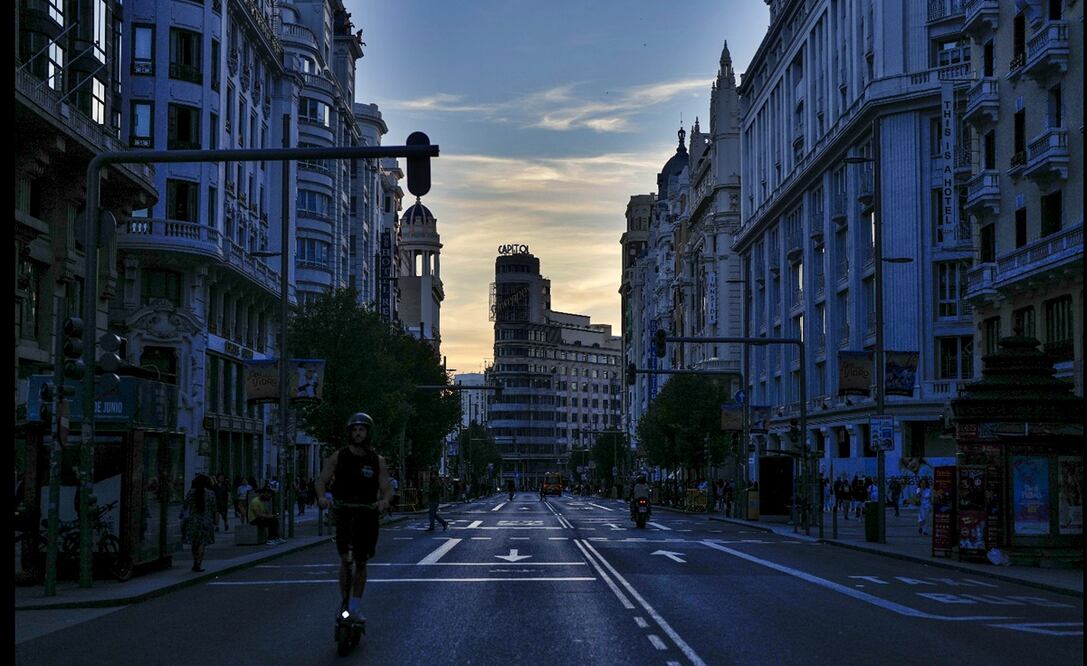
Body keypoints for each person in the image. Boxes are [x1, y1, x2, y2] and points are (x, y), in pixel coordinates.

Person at [317, 412, 393, 625]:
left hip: (367, 515)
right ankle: (344, 602)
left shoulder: (377, 460)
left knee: (361, 562)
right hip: (344, 512)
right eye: (354, 430)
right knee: (344, 559)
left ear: (368, 433)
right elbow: (321, 480)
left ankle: (355, 607)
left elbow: (387, 488)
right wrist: (322, 497)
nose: (358, 433)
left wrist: (384, 501)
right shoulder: (339, 456)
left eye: (361, 430)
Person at [182, 474, 217, 572]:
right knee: (202, 543)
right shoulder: (210, 493)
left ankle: (195, 561)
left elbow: (185, 505)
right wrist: (215, 520)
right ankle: (199, 563)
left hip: (193, 521)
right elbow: (214, 508)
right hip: (206, 521)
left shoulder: (191, 493)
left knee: (194, 543)